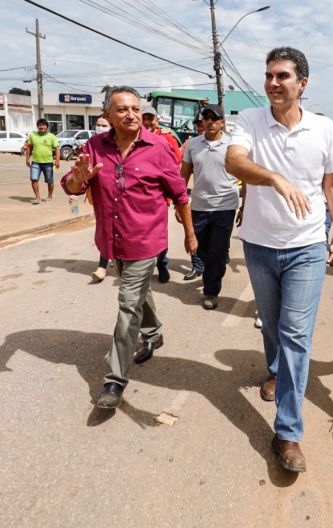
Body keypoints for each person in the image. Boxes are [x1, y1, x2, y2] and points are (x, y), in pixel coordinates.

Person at [225, 47, 333, 473]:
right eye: (269, 75)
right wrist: (275, 178)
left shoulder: (323, 128)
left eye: (283, 76)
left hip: (307, 246)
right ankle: (275, 369)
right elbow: (234, 161)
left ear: (303, 84)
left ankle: (288, 432)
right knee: (273, 324)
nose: (273, 83)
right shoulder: (250, 121)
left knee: (296, 334)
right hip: (258, 245)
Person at [62, 86, 197, 410]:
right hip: (112, 240)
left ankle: (115, 379)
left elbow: (180, 195)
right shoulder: (95, 146)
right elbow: (72, 184)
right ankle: (154, 333)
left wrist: (191, 236)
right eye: (122, 109)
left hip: (146, 240)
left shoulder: (159, 148)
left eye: (135, 108)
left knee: (127, 302)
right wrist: (77, 179)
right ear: (107, 115)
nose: (131, 114)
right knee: (136, 294)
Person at [180, 104, 239, 310]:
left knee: (217, 251)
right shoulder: (192, 145)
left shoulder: (233, 145)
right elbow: (184, 174)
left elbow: (245, 175)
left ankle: (211, 290)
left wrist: (247, 203)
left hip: (225, 205)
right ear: (202, 121)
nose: (210, 122)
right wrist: (180, 204)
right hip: (199, 206)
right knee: (200, 249)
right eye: (206, 118)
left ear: (222, 122)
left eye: (215, 118)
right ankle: (214, 269)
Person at [141, 103, 182, 283]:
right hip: (138, 195)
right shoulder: (130, 138)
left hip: (159, 195)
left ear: (156, 120)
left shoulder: (166, 138)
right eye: (145, 118)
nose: (148, 122)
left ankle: (162, 264)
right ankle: (142, 267)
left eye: (151, 118)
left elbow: (176, 163)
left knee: (159, 233)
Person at [181, 117, 207, 281]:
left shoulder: (228, 144)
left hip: (222, 203)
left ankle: (217, 261)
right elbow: (182, 170)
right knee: (194, 234)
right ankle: (197, 266)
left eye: (202, 124)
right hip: (196, 199)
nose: (200, 127)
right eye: (197, 125)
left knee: (217, 242)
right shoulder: (190, 144)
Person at [90, 116, 113, 283]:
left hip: (121, 195)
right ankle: (102, 265)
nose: (100, 127)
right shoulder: (92, 143)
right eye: (98, 124)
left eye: (104, 125)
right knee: (105, 229)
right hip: (102, 196)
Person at [26, 118, 60, 205]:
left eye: (44, 125)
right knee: (34, 179)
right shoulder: (33, 135)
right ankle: (38, 198)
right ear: (38, 126)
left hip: (48, 163)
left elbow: (57, 149)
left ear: (47, 127)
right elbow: (29, 147)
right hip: (35, 162)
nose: (42, 127)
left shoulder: (51, 136)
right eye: (40, 125)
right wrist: (27, 159)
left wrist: (57, 160)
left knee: (49, 180)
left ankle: (50, 195)